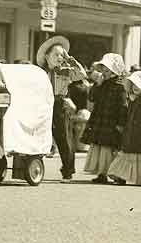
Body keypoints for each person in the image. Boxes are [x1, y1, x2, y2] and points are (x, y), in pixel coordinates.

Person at [37, 35, 87, 181]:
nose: (59, 57)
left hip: (59, 104)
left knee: (64, 137)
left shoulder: (66, 70)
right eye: (56, 54)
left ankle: (68, 170)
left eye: (61, 54)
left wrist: (70, 59)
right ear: (47, 56)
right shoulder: (40, 72)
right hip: (43, 103)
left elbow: (82, 74)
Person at [82, 53, 127, 184]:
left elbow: (123, 106)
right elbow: (92, 98)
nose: (105, 73)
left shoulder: (120, 86)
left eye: (108, 70)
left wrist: (121, 123)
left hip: (111, 121)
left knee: (110, 147)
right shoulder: (102, 83)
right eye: (104, 70)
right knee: (99, 146)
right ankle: (101, 173)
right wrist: (97, 85)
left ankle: (115, 173)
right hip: (100, 119)